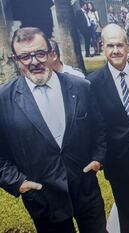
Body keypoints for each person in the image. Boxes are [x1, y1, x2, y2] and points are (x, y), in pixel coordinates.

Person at [0, 27, 106, 233]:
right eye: (25, 56)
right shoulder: (4, 100)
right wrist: (17, 182)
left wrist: (98, 158)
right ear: (16, 59)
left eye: (40, 53)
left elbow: (99, 128)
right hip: (43, 198)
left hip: (86, 191)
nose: (34, 61)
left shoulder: (81, 87)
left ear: (51, 53)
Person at [87, 24, 129, 233]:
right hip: (117, 164)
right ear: (103, 47)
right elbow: (95, 127)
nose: (115, 50)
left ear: (128, 46)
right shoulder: (93, 83)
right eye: (110, 45)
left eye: (119, 45)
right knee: (126, 215)